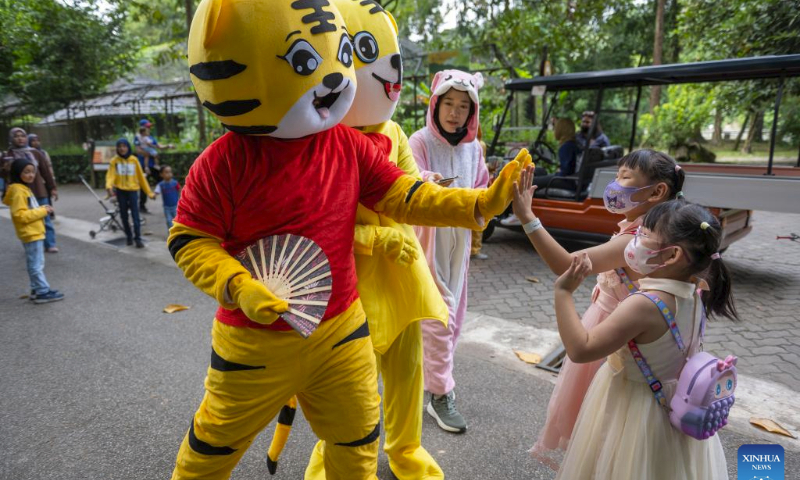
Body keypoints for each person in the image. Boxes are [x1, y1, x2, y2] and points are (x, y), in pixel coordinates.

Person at [168, 1, 530, 478]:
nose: (336, 77)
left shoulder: (347, 145)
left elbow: (406, 194)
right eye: (304, 61)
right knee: (212, 450)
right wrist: (236, 285)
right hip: (253, 345)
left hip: (342, 334)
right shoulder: (223, 162)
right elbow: (189, 239)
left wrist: (477, 204)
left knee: (357, 443)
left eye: (339, 55)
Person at [511, 149, 686, 463]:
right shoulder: (650, 227)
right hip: (620, 329)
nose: (615, 185)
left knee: (599, 428)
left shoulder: (639, 239)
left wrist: (527, 217)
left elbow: (565, 264)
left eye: (625, 177)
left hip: (612, 339)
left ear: (657, 191)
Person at [551, 200, 735, 479]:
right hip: (670, 406)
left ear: (672, 255)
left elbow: (581, 349)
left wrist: (563, 293)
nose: (635, 241)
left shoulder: (644, 305)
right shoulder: (696, 292)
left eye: (644, 235)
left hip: (634, 410)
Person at [410, 69, 490, 434]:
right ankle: (441, 393)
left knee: (453, 315)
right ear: (435, 104)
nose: (455, 113)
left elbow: (482, 189)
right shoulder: (419, 141)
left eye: (463, 106)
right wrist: (428, 183)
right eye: (449, 104)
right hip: (427, 238)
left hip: (459, 242)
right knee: (438, 316)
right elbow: (406, 181)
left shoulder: (474, 149)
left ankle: (431, 383)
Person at [3, 158, 65, 304]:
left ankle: (37, 289)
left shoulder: (22, 188)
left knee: (35, 263)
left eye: (32, 172)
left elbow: (26, 211)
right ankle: (42, 292)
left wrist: (42, 210)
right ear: (18, 173)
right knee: (36, 265)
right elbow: (20, 215)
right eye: (26, 172)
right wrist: (43, 211)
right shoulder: (19, 191)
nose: (31, 175)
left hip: (33, 231)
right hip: (30, 232)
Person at [501, 118, 580, 226]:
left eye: (556, 128)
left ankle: (518, 214)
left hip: (566, 180)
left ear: (561, 130)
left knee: (527, 180)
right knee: (540, 171)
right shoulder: (572, 144)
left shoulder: (566, 147)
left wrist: (557, 172)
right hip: (570, 178)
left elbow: (565, 171)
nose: (554, 131)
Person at [7, 128, 59, 252]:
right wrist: (5, 168)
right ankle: (32, 245)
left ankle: (50, 244)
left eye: (23, 136)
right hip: (20, 194)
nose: (20, 138)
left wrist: (52, 188)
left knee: (45, 218)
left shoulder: (35, 153)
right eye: (16, 136)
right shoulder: (8, 155)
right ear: (11, 138)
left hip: (38, 190)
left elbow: (45, 172)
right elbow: (4, 176)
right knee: (26, 220)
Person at [106, 138, 154, 248]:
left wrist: (149, 193)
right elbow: (110, 175)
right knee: (123, 216)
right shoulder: (114, 161)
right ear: (117, 148)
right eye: (120, 146)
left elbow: (141, 178)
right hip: (120, 191)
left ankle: (138, 238)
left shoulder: (134, 160)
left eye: (124, 146)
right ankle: (128, 236)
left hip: (133, 191)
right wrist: (109, 186)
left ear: (128, 147)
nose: (122, 148)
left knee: (135, 216)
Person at [134, 119, 173, 213]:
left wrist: (168, 146)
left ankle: (171, 205)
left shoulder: (150, 137)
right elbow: (138, 150)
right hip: (144, 165)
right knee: (144, 186)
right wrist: (150, 154)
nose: (149, 128)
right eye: (147, 126)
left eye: (149, 126)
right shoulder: (138, 137)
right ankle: (141, 206)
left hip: (154, 166)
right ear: (142, 128)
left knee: (165, 181)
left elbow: (158, 146)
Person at [154, 165, 181, 232]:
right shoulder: (161, 185)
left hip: (176, 206)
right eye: (166, 172)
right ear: (161, 174)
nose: (169, 174)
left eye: (170, 172)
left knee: (177, 221)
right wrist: (154, 195)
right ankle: (171, 233)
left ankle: (178, 233)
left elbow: (180, 190)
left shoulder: (175, 183)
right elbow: (156, 192)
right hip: (167, 207)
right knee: (169, 221)